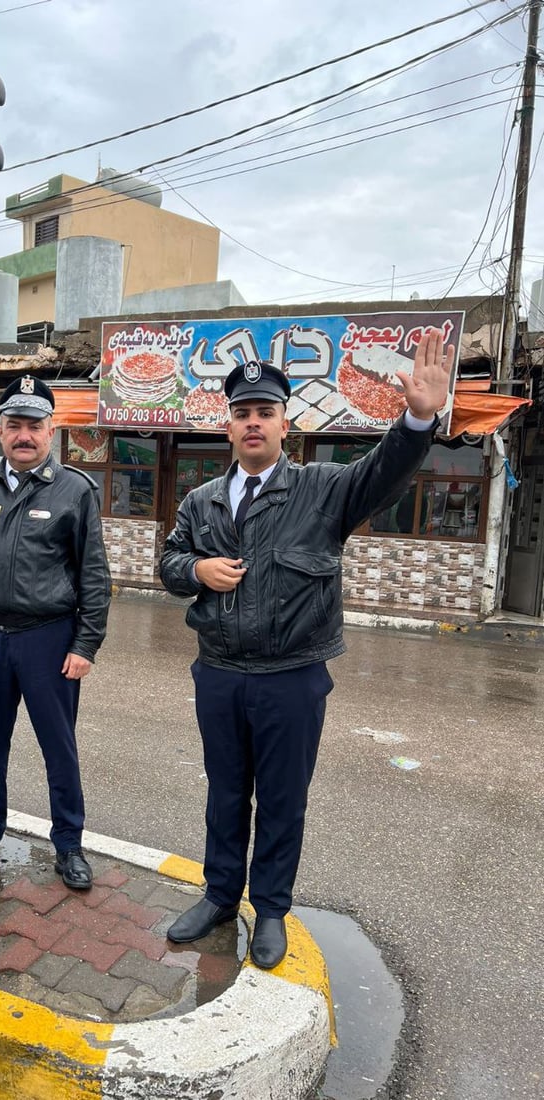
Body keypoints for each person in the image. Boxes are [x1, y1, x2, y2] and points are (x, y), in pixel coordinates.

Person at [159, 329, 454, 969]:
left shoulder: (322, 489)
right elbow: (168, 561)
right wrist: (195, 572)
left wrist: (417, 420)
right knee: (226, 791)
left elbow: (383, 473)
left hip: (291, 677)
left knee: (283, 796)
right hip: (219, 672)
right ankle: (218, 895)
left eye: (265, 412)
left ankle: (269, 910)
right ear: (228, 427)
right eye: (242, 414)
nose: (253, 423)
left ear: (285, 424)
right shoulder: (201, 500)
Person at [0, 375, 112, 889]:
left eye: (34, 425)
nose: (24, 435)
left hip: (49, 640)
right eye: (15, 425)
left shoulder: (74, 491)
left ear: (51, 431)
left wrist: (86, 645)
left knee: (59, 747)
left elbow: (94, 576)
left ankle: (69, 845)